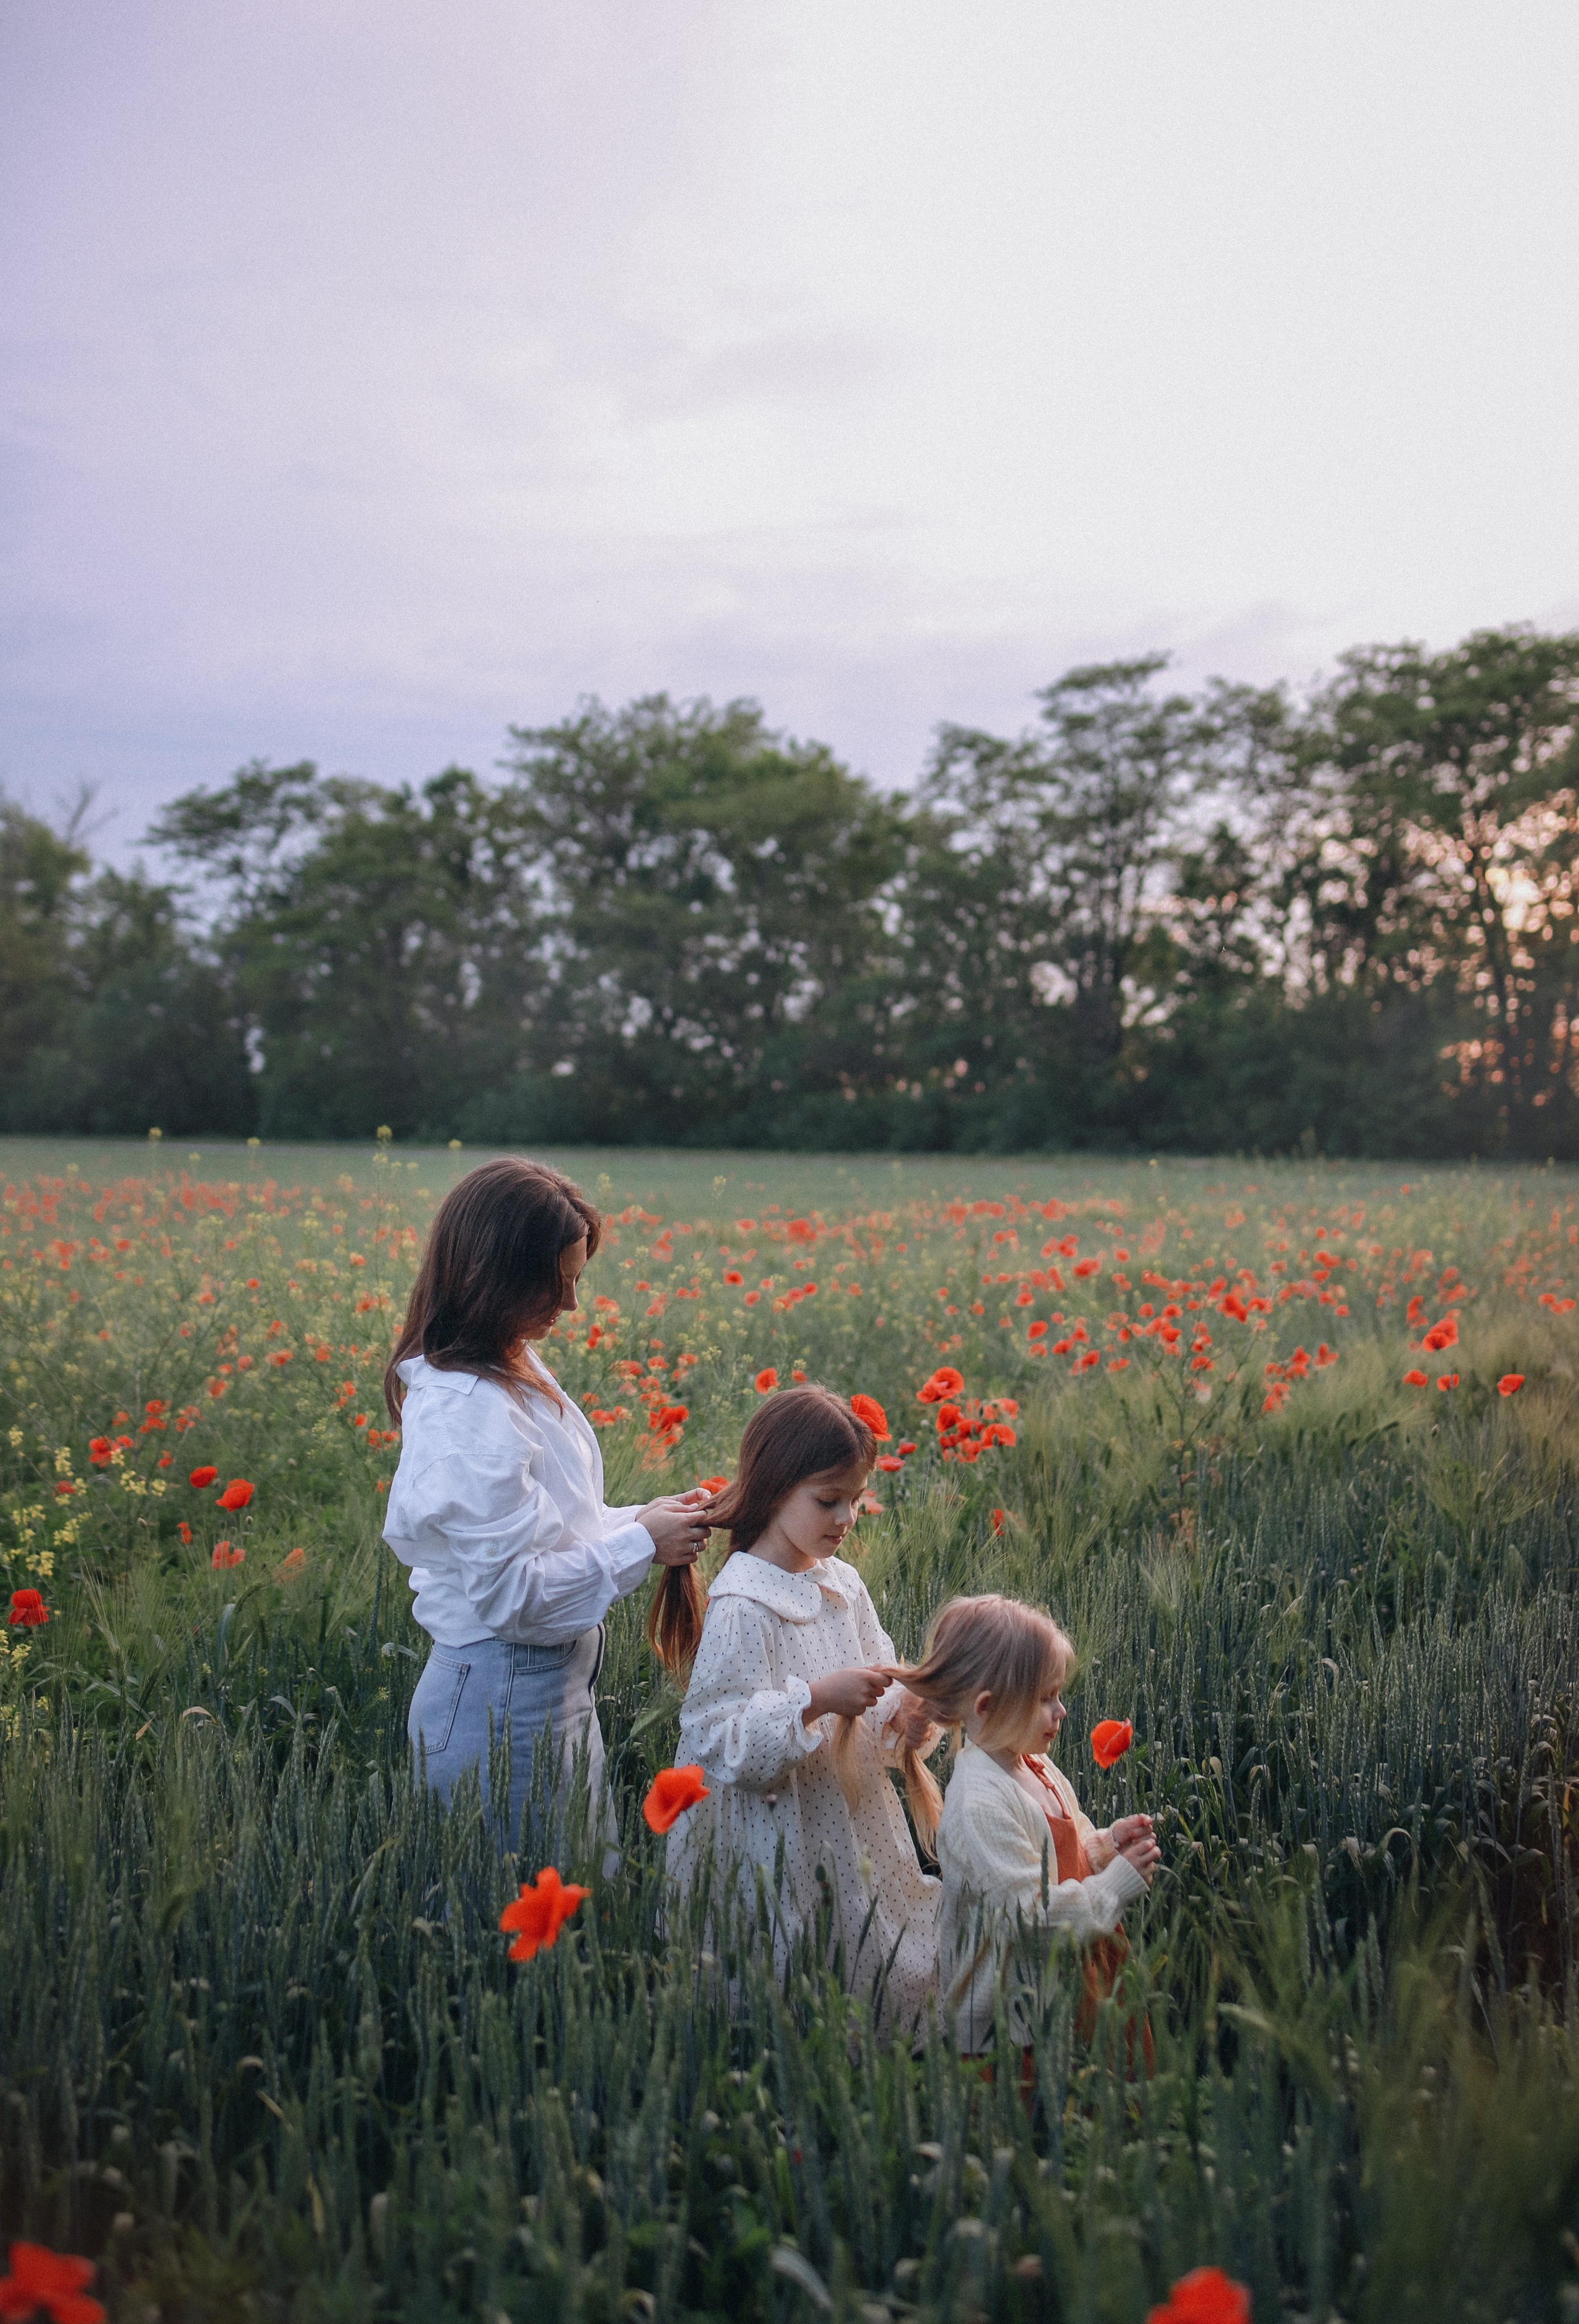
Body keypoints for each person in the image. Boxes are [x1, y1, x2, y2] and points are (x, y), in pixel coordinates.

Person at [382, 1157, 709, 1855]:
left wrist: (648, 1518)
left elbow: (552, 1533)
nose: (570, 1305)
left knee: (572, 1909)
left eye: (575, 1279)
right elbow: (515, 1596)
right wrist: (643, 1544)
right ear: (490, 1277)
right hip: (500, 1703)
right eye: (553, 1282)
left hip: (537, 1690)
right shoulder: (467, 1416)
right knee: (527, 1935)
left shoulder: (505, 1361)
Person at [654, 1386, 942, 2035]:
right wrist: (815, 1700)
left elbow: (876, 1674)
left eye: (856, 1499)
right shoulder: (743, 1604)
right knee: (794, 1955)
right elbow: (716, 1738)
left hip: (846, 1817)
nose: (846, 1517)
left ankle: (877, 2060)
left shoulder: (841, 1582)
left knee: (864, 1934)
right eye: (828, 1499)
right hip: (774, 1832)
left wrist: (904, 1714)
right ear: (776, 1486)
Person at [893, 1595, 1160, 2061]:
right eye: (1044, 1698)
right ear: (988, 1705)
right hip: (1014, 2028)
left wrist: (1105, 1846)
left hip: (1065, 1981)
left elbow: (1055, 1858)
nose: (1061, 1711)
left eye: (1057, 1695)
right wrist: (1115, 1887)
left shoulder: (1034, 1765)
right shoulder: (979, 1802)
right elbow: (1030, 1920)